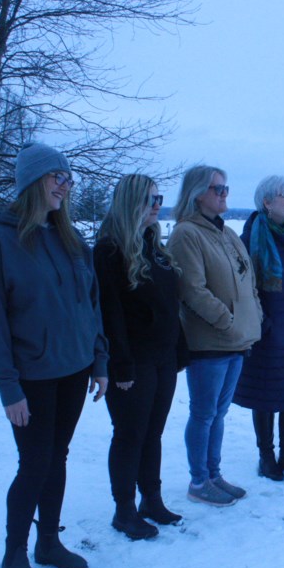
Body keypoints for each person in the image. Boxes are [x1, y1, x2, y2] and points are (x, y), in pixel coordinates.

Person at [0, 142, 108, 568]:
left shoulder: (72, 241)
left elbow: (93, 307)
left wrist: (100, 361)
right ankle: (14, 556)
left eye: (69, 179)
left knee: (57, 457)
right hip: (30, 376)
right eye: (57, 178)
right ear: (33, 182)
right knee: (34, 463)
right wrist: (8, 388)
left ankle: (49, 541)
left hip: (74, 370)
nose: (65, 187)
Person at [94, 174, 189, 540]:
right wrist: (120, 364)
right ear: (130, 201)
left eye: (159, 197)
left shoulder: (154, 246)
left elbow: (170, 305)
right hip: (132, 360)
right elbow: (110, 312)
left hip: (163, 356)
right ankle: (124, 510)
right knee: (130, 434)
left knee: (154, 432)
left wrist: (179, 347)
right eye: (150, 198)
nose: (156, 205)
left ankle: (152, 498)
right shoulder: (109, 250)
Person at [167, 165, 262, 506]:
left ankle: (214, 474)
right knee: (204, 413)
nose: (224, 194)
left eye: (225, 188)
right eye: (217, 189)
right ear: (197, 194)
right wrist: (227, 321)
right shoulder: (186, 234)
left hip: (237, 339)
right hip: (209, 341)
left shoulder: (228, 233)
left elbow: (248, 281)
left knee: (218, 415)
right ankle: (198, 480)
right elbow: (192, 290)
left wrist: (254, 317)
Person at [233, 176, 284, 481]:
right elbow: (244, 289)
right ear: (266, 202)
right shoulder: (249, 240)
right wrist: (263, 323)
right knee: (266, 394)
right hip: (267, 332)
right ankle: (266, 457)